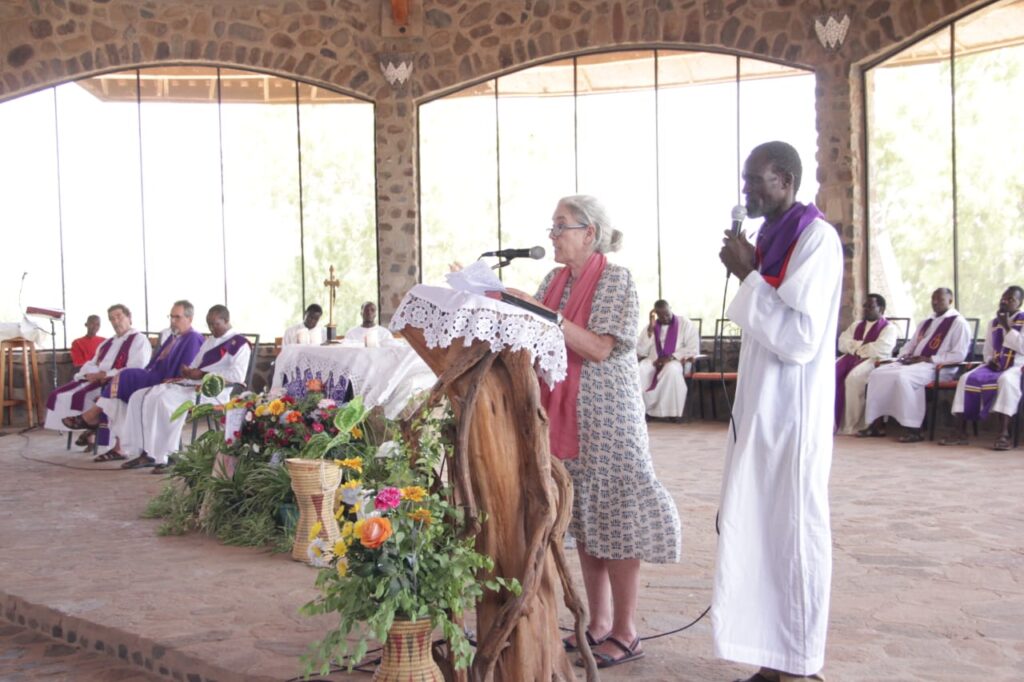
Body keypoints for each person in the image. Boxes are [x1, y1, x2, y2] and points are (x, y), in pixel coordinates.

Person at [501, 194, 681, 670]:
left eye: (562, 225)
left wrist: (543, 316)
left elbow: (600, 348)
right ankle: (597, 624)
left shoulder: (616, 279)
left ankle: (626, 631)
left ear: (590, 233)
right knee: (585, 520)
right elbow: (540, 336)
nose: (553, 235)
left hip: (607, 418)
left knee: (617, 518)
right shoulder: (551, 279)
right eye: (553, 225)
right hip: (563, 414)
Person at [715, 141, 842, 682]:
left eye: (755, 182)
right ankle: (773, 659)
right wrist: (748, 269)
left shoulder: (817, 239)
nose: (746, 193)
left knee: (792, 535)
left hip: (793, 412)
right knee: (758, 530)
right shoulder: (771, 235)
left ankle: (801, 665)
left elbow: (799, 337)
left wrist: (746, 276)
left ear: (785, 179)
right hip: (760, 409)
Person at [62, 300, 204, 461]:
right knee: (127, 397)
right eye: (171, 317)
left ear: (190, 318)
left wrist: (163, 378)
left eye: (177, 317)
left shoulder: (193, 338)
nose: (172, 321)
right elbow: (155, 362)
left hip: (168, 381)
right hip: (154, 375)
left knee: (125, 376)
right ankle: (133, 449)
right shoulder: (174, 337)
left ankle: (92, 417)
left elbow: (185, 369)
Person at [118, 305, 251, 472]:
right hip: (191, 385)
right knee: (139, 396)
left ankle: (169, 455)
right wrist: (188, 371)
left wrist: (202, 374)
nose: (211, 328)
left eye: (215, 324)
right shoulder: (210, 341)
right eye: (209, 324)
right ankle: (146, 452)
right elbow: (195, 365)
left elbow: (237, 376)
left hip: (213, 392)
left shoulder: (239, 344)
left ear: (226, 321)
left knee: (162, 400)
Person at [860, 288, 971, 442]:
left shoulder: (958, 323)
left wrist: (928, 359)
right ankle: (876, 424)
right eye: (933, 299)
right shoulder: (926, 322)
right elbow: (910, 345)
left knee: (903, 377)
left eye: (940, 299)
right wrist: (904, 356)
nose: (935, 302)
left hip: (939, 368)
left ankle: (913, 428)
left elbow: (959, 355)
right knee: (876, 374)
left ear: (950, 301)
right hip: (915, 364)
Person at [45, 305, 151, 444]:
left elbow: (135, 368)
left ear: (129, 317)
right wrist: (87, 374)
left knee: (94, 397)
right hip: (97, 379)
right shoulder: (107, 342)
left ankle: (92, 427)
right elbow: (92, 363)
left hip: (120, 382)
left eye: (119, 316)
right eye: (112, 319)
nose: (116, 321)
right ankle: (90, 430)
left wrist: (105, 375)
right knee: (62, 395)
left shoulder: (139, 340)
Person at [939, 286, 1024, 451]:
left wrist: (1007, 327)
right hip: (996, 365)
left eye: (1011, 299)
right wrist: (990, 360)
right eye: (1003, 298)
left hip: (1017, 365)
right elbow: (988, 350)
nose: (1005, 301)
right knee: (965, 379)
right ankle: (960, 431)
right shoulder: (993, 322)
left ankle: (1003, 434)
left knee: (1006, 380)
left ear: (1019, 303)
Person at [835, 293, 899, 434]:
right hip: (851, 357)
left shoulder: (889, 328)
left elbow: (881, 348)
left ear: (881, 309)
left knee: (853, 379)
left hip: (875, 361)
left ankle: (852, 425)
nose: (866, 309)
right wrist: (861, 346)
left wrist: (856, 347)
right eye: (865, 306)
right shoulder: (856, 325)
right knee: (830, 374)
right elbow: (842, 343)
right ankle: (835, 422)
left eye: (871, 306)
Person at [636, 299, 700, 420]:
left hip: (676, 361)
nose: (665, 318)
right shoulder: (651, 326)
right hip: (654, 360)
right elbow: (641, 351)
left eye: (667, 314)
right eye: (661, 315)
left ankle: (670, 412)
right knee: (642, 368)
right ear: (656, 314)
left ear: (670, 308)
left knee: (671, 370)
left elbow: (693, 347)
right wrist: (650, 330)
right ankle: (645, 410)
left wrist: (670, 357)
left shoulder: (685, 323)